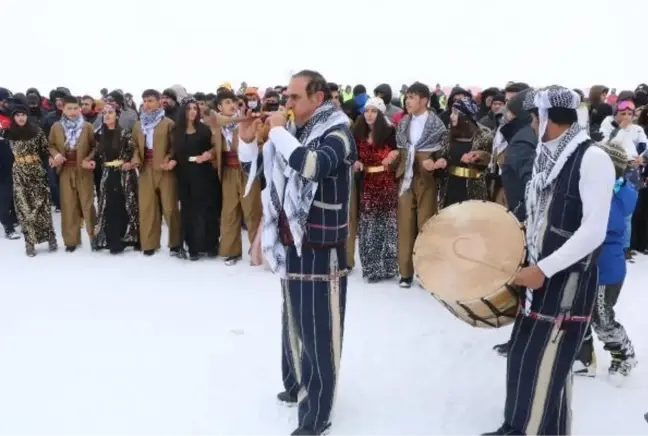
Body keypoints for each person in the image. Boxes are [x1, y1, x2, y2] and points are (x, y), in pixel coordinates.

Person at [481, 86, 615, 436]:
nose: (532, 123)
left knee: (545, 364)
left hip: (566, 281)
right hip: (537, 277)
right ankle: (519, 426)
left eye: (535, 116)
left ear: (548, 119)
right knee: (525, 359)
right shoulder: (547, 154)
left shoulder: (592, 158)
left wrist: (544, 268)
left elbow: (593, 232)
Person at [237, 69, 355, 436]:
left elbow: (312, 165)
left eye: (293, 97)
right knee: (295, 317)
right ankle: (297, 383)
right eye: (286, 97)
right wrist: (246, 139)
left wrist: (276, 131)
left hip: (322, 245)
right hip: (294, 240)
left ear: (317, 98)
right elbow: (257, 169)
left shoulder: (338, 132)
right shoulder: (298, 130)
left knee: (319, 328)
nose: (286, 103)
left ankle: (317, 414)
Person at [573, 138, 638, 381]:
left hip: (606, 267)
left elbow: (602, 226)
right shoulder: (605, 191)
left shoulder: (620, 196)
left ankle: (623, 355)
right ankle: (583, 357)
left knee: (601, 315)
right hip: (589, 263)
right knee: (580, 311)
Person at [5, 105, 57, 255]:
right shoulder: (9, 133)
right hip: (19, 172)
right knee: (24, 208)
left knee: (42, 206)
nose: (21, 117)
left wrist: (54, 157)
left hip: (36, 171)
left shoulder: (36, 131)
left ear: (27, 116)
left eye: (23, 115)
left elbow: (47, 148)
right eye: (17, 115)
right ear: (13, 118)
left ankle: (50, 237)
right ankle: (30, 243)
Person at [48, 95, 97, 252]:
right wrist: (55, 155)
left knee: (87, 203)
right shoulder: (56, 127)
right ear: (63, 108)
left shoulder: (87, 126)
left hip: (83, 170)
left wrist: (88, 159)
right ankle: (71, 240)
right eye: (69, 108)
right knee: (68, 205)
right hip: (65, 170)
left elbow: (95, 147)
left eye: (76, 108)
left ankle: (93, 236)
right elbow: (50, 145)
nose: (73, 111)